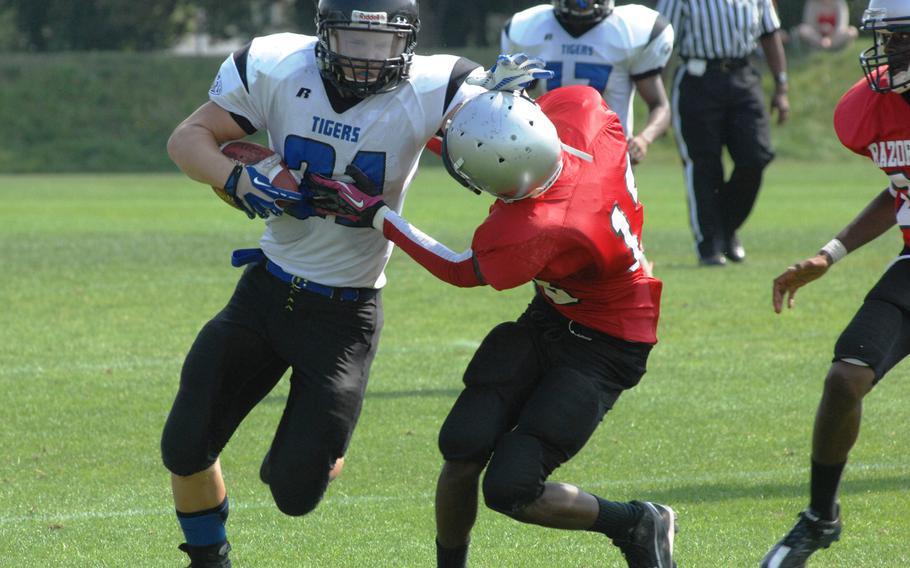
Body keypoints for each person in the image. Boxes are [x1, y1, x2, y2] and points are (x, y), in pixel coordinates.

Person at [158, 0, 551, 564]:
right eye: (353, 39)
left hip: (345, 317)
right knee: (185, 446)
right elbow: (189, 138)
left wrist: (510, 106)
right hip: (265, 293)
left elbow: (516, 144)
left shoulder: (438, 84)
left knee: (294, 494)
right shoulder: (276, 63)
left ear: (409, 42)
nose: (367, 57)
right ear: (323, 34)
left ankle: (315, 450)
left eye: (382, 43)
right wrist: (240, 180)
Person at [305, 86, 676, 568]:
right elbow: (505, 132)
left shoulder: (541, 227)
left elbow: (460, 268)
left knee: (512, 486)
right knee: (462, 446)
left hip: (609, 344)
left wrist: (376, 215)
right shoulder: (580, 115)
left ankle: (635, 521)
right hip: (553, 314)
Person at [761, 1, 910, 566]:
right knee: (846, 378)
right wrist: (832, 252)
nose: (888, 51)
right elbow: (900, 183)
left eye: (901, 39)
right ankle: (820, 517)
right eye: (887, 38)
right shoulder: (873, 107)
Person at [656, 0, 790, 266]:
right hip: (698, 79)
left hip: (743, 76)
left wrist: (781, 86)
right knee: (704, 165)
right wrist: (660, 100)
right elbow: (663, 42)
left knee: (755, 157)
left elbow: (769, 33)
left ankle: (726, 228)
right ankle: (710, 244)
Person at [501, 0, 674, 165]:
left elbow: (660, 105)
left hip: (610, 156)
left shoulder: (629, 31)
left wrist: (644, 139)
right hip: (551, 156)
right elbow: (513, 98)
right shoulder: (530, 29)